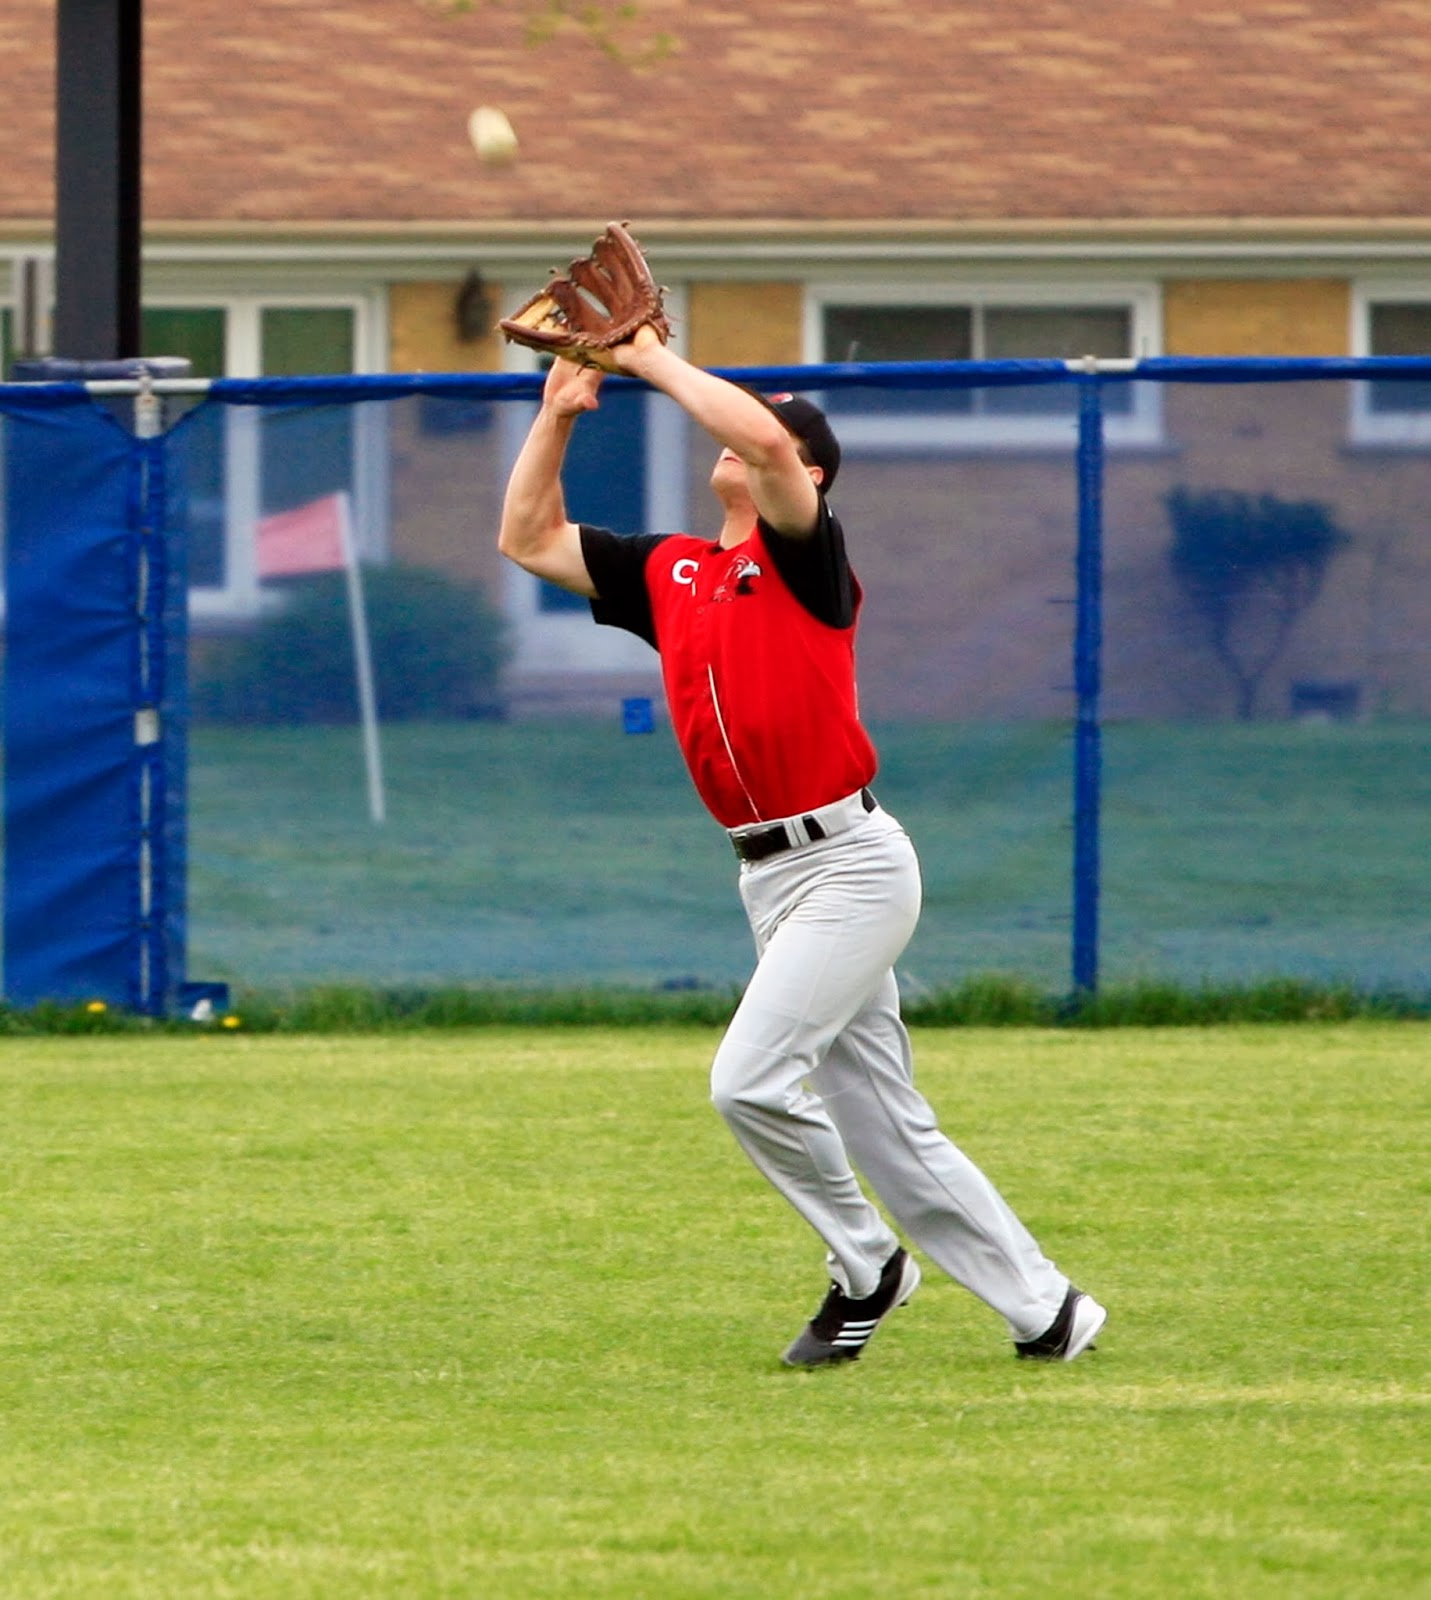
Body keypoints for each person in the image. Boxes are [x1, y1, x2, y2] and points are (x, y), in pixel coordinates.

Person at [497, 329, 1106, 1368]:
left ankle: (869, 1264)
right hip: (769, 875)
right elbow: (528, 537)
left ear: (808, 473)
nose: (749, 443)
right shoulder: (675, 571)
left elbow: (767, 451)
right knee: (886, 1127)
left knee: (748, 1081)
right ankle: (1048, 1311)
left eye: (775, 436)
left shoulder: (803, 553)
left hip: (851, 865)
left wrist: (652, 363)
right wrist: (556, 411)